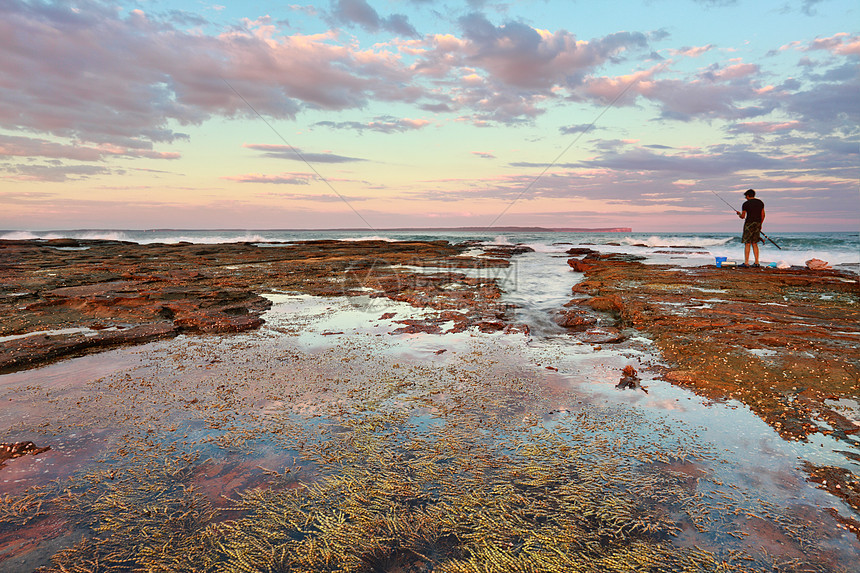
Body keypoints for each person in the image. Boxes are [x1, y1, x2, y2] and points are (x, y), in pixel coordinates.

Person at [736, 189, 765, 267]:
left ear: (748, 196)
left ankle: (746, 263)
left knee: (747, 243)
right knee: (755, 243)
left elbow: (743, 216)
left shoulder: (745, 204)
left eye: (746, 196)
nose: (746, 198)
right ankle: (756, 262)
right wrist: (760, 224)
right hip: (758, 223)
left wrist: (739, 214)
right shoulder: (760, 202)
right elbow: (763, 215)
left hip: (749, 224)